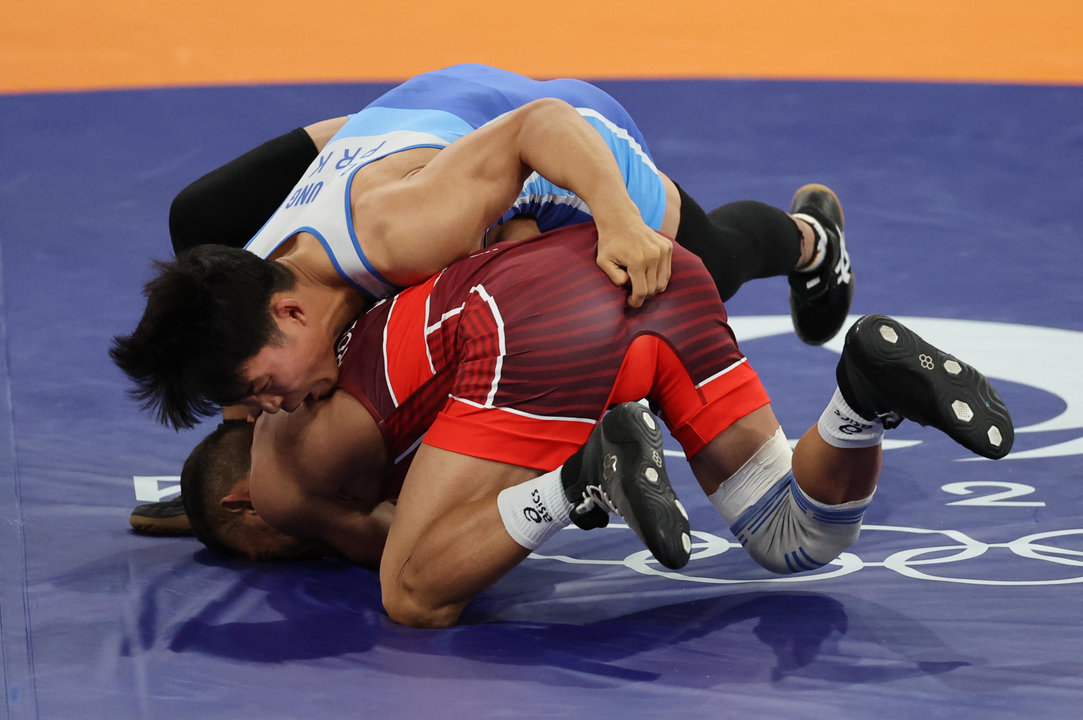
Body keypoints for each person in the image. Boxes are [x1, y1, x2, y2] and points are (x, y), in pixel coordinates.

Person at [180, 222, 1013, 628]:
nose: (274, 406)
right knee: (792, 538)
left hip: (530, 326)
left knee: (411, 595)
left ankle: (578, 477)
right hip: (653, 265)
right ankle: (862, 397)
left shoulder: (285, 477)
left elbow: (398, 548)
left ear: (244, 503)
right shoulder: (356, 280)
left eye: (261, 392)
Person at [112, 64, 852, 433]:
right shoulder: (243, 264)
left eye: (263, 391)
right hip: (435, 115)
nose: (275, 407)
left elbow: (543, 124)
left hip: (561, 134)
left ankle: (810, 242)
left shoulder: (400, 238)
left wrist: (620, 221)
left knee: (702, 267)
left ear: (292, 312)